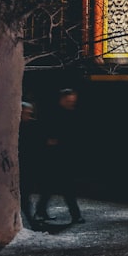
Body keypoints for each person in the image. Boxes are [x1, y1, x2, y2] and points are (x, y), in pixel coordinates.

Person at [35, 88, 84, 224]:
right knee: (66, 187)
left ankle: (41, 210)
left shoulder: (65, 113)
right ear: (62, 100)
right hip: (57, 156)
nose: (71, 103)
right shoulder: (55, 115)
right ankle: (75, 215)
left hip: (60, 155)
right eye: (69, 101)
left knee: (50, 186)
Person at [18, 101, 43, 228]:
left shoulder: (32, 126)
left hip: (29, 165)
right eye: (26, 113)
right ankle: (30, 218)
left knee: (26, 193)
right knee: (24, 193)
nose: (28, 115)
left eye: (30, 113)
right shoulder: (18, 128)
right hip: (21, 165)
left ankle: (30, 216)